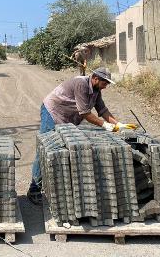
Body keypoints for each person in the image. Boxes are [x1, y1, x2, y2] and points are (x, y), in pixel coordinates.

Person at [27, 67, 137, 205]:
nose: (106, 87)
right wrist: (105, 125)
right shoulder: (81, 84)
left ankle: (54, 185)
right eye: (105, 83)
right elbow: (85, 113)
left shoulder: (96, 90)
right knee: (45, 148)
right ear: (96, 78)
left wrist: (119, 124)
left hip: (67, 116)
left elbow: (102, 110)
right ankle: (34, 189)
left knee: (63, 148)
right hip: (53, 112)